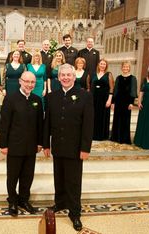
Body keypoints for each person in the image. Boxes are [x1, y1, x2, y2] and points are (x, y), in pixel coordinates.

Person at [43, 63, 94, 231]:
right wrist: (46, 144)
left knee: (73, 181)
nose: (65, 77)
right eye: (62, 75)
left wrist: (85, 148)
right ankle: (60, 202)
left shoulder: (85, 96)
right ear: (58, 78)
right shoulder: (52, 97)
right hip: (57, 145)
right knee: (59, 177)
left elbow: (88, 125)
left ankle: (74, 212)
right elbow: (47, 122)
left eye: (68, 75)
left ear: (74, 77)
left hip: (75, 147)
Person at [0, 71, 43, 217]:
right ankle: (12, 201)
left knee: (27, 175)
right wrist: (3, 145)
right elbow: (4, 123)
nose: (29, 85)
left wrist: (40, 143)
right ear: (20, 81)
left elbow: (39, 124)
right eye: (27, 81)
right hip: (14, 145)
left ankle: (24, 200)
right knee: (13, 176)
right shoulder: (10, 99)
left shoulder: (37, 99)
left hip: (31, 146)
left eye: (32, 82)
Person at [110, 61, 137, 144]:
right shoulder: (118, 78)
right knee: (117, 119)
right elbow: (115, 91)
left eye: (127, 67)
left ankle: (124, 138)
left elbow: (133, 91)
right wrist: (113, 102)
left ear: (129, 68)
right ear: (122, 68)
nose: (125, 68)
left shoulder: (133, 78)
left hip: (127, 102)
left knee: (125, 119)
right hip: (118, 101)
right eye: (124, 67)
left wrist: (131, 103)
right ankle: (116, 137)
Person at [91, 59, 114, 141]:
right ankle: (93, 134)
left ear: (106, 65)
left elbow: (111, 88)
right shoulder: (94, 74)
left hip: (104, 98)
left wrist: (109, 100)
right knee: (94, 116)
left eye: (104, 64)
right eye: (101, 64)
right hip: (94, 98)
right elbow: (90, 87)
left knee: (103, 116)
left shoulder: (108, 74)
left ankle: (102, 135)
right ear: (98, 64)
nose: (102, 65)